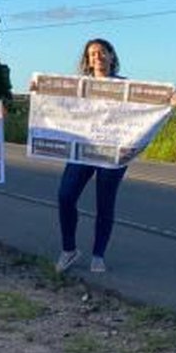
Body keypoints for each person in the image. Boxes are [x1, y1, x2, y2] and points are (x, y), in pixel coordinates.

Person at [52, 38, 127, 274]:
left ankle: (98, 255)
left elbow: (147, 109)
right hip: (82, 150)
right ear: (87, 59)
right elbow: (58, 105)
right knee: (65, 196)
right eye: (92, 53)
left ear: (112, 56)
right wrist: (39, 90)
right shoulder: (79, 86)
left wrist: (170, 101)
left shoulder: (126, 86)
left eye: (102, 52)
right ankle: (69, 249)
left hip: (112, 152)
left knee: (104, 203)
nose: (98, 57)